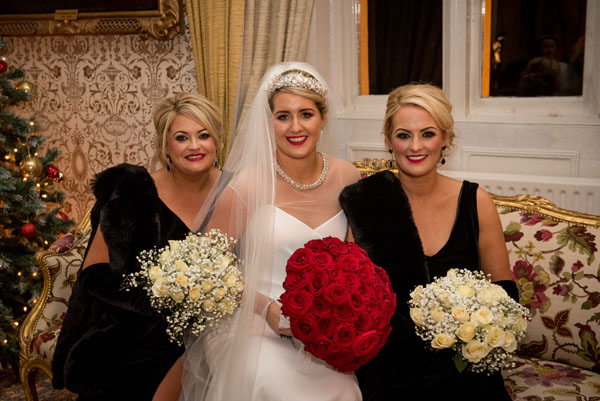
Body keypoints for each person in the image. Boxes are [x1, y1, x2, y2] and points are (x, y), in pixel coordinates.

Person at [178, 62, 362, 401]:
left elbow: (356, 262)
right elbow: (208, 270)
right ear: (269, 122)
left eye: (306, 114)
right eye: (283, 116)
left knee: (343, 389)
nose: (295, 127)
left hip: (323, 327)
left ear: (323, 118)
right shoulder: (248, 185)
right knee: (275, 385)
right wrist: (266, 308)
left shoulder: (346, 176)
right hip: (253, 322)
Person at [339, 83, 516, 401]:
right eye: (403, 135)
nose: (415, 146)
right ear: (388, 140)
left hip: (465, 365)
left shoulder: (476, 201)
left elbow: (505, 294)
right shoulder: (368, 201)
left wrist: (475, 334)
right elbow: (355, 299)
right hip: (391, 368)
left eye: (428, 134)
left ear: (445, 137)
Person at [51, 92, 224, 401]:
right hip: (138, 321)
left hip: (217, 322)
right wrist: (162, 297)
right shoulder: (133, 191)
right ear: (165, 146)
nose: (194, 146)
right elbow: (94, 272)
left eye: (203, 135)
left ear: (217, 141)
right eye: (182, 137)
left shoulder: (239, 190)